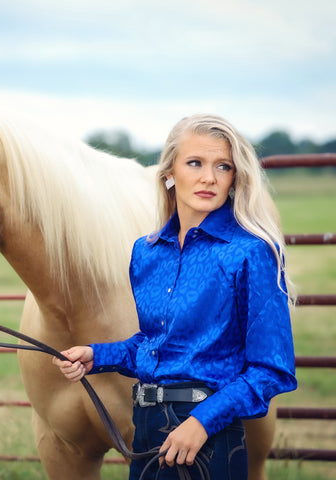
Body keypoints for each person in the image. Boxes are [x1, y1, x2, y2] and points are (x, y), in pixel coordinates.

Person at [52, 114, 297, 479]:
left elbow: (272, 369)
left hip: (209, 436)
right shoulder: (146, 253)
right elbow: (156, 346)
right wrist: (96, 355)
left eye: (223, 166)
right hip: (147, 430)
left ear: (234, 178)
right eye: (195, 163)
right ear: (169, 172)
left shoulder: (250, 252)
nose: (209, 178)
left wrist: (201, 423)